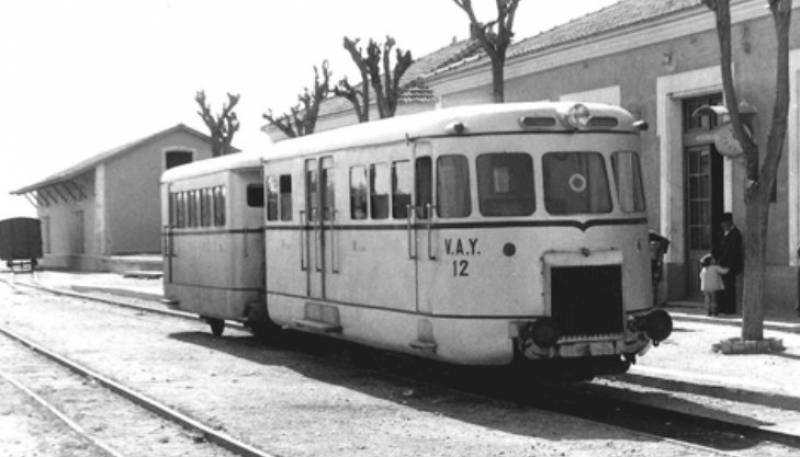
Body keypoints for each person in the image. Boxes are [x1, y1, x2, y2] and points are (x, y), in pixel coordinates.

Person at [717, 213, 743, 314]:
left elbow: (734, 251)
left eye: (724, 223)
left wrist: (729, 266)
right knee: (722, 287)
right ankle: (722, 307)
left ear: (729, 223)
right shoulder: (723, 233)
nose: (723, 226)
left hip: (731, 265)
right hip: (723, 265)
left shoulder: (736, 234)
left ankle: (730, 309)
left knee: (729, 287)